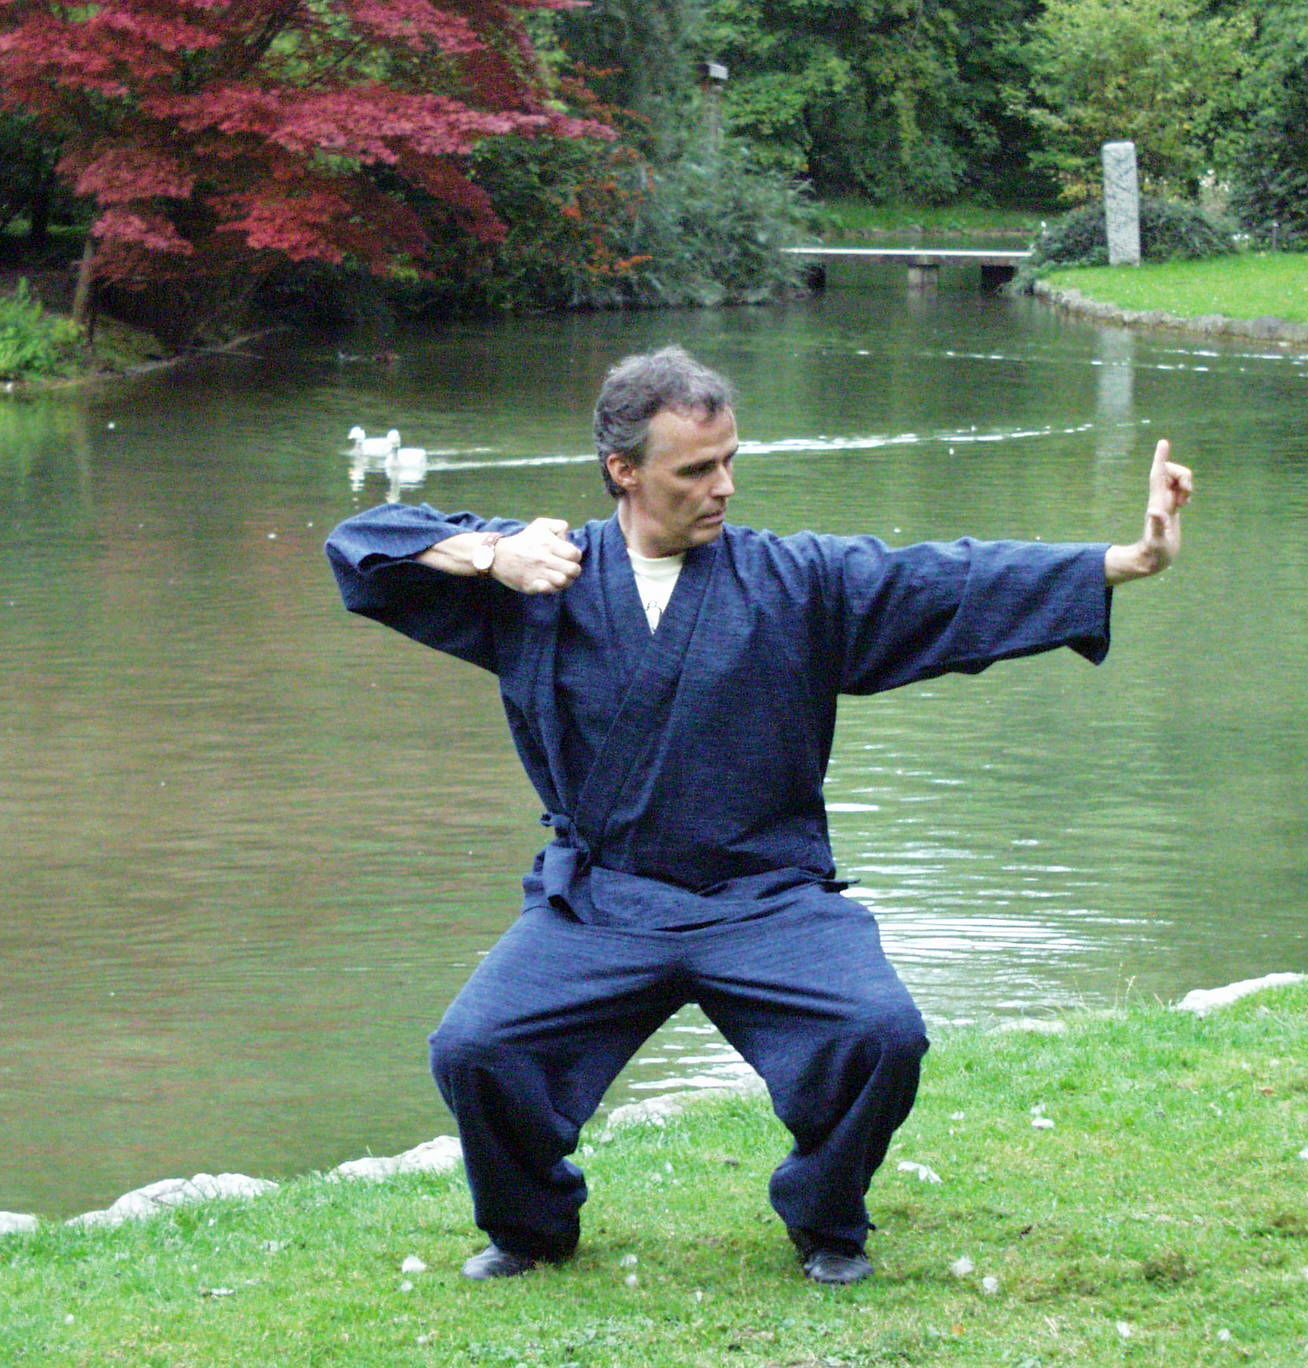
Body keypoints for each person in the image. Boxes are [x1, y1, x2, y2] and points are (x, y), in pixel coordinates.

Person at [325, 346, 1192, 1285]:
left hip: (769, 898)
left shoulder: (797, 582)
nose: (725, 486)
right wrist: (491, 554)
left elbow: (949, 580)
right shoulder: (541, 583)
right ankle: (532, 1227)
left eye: (731, 460)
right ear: (624, 471)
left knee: (881, 1034)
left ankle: (826, 1216)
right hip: (604, 902)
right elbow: (364, 546)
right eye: (696, 469)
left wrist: (1129, 560)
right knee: (476, 1048)